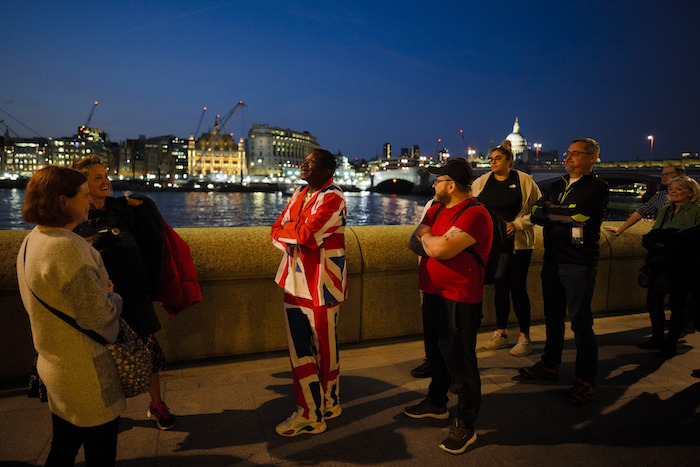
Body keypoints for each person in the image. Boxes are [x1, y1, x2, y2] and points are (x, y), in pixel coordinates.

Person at [17, 166, 125, 466]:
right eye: (84, 196)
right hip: (85, 370)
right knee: (100, 452)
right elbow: (97, 315)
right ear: (63, 201)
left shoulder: (33, 241)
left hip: (55, 363)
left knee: (64, 445)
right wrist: (114, 296)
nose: (90, 203)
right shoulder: (68, 248)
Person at [71, 156, 174, 430]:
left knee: (149, 352)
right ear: (83, 184)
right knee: (107, 358)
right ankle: (110, 411)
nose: (105, 180)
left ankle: (157, 404)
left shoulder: (122, 209)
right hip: (104, 300)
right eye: (97, 177)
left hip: (136, 293)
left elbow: (151, 242)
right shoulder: (80, 219)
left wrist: (141, 207)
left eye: (105, 175)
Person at [405, 157, 493, 455]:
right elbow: (413, 241)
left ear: (451, 185)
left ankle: (466, 424)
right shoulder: (437, 208)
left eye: (438, 180)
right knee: (436, 355)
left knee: (461, 362)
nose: (433, 184)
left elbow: (439, 248)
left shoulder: (475, 214)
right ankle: (436, 402)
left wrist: (431, 241)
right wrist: (433, 241)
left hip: (460, 297)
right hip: (432, 291)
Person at [520, 138, 609, 406]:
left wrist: (554, 212)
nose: (567, 157)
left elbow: (579, 217)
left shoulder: (598, 187)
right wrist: (558, 213)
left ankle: (586, 381)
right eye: (567, 153)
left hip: (578, 263)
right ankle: (550, 365)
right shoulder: (557, 183)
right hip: (552, 260)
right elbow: (535, 213)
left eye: (575, 154)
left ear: (592, 157)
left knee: (581, 324)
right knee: (552, 317)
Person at [271, 149, 347, 437]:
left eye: (312, 162)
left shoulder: (333, 197)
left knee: (324, 350)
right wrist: (292, 232)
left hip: (321, 285)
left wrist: (291, 232)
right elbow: (277, 228)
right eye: (305, 160)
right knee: (302, 350)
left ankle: (315, 412)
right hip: (294, 282)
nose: (304, 164)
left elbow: (307, 235)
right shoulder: (300, 193)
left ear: (327, 170)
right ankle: (321, 406)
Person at [472, 140, 542, 356]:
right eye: (491, 159)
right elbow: (473, 209)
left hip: (519, 245)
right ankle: (501, 334)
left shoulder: (524, 181)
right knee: (499, 288)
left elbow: (540, 210)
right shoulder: (482, 182)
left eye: (498, 158)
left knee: (518, 288)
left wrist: (518, 224)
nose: (493, 162)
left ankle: (524, 337)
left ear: (510, 160)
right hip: (493, 245)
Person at [639, 176, 700, 358]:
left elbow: (692, 238)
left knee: (678, 304)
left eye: (678, 189)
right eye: (671, 189)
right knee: (653, 300)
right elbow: (653, 234)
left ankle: (670, 343)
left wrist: (666, 237)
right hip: (660, 263)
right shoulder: (665, 210)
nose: (672, 191)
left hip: (683, 264)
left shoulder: (696, 210)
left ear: (691, 193)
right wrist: (669, 237)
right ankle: (657, 337)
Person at [604, 163, 685, 236]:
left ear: (680, 175)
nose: (663, 177)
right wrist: (620, 230)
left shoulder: (691, 194)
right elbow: (640, 212)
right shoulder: (660, 197)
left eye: (668, 174)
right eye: (663, 174)